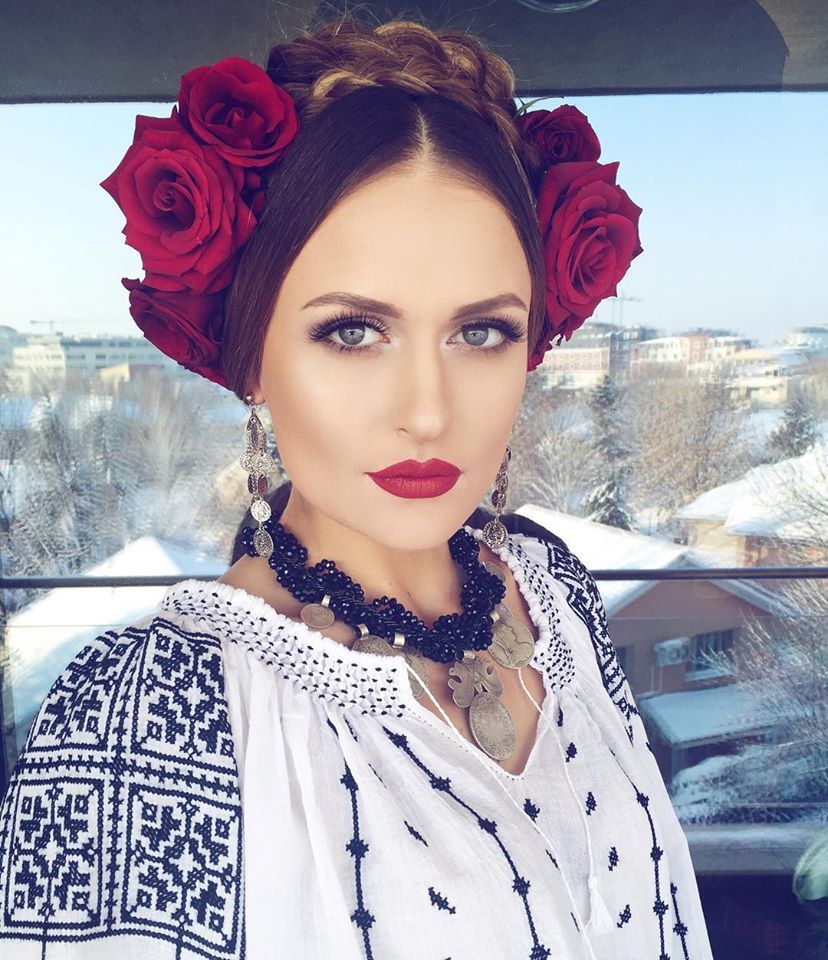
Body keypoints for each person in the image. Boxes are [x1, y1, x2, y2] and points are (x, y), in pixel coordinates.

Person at [0, 14, 714, 959]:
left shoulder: (556, 591)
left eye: (482, 332)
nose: (428, 410)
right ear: (251, 357)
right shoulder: (146, 716)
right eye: (352, 331)